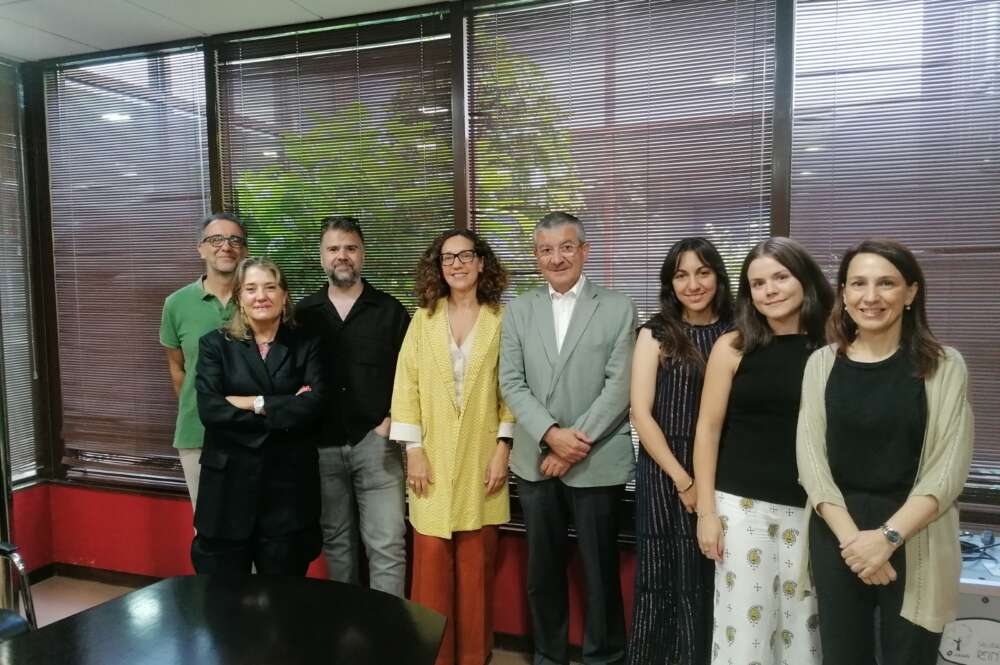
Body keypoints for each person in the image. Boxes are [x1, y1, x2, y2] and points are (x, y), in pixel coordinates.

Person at [797, 239, 973, 665]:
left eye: (886, 283)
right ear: (843, 293)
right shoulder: (820, 364)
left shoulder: (945, 365)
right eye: (858, 283)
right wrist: (857, 545)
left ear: (911, 292)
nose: (870, 296)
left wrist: (887, 539)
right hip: (839, 535)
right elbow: (812, 463)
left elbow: (947, 470)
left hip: (916, 533)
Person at [500, 211, 636, 665]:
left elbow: (620, 386)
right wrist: (550, 436)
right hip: (535, 460)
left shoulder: (617, 307)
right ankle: (548, 656)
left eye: (565, 247)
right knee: (543, 573)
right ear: (536, 257)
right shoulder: (519, 310)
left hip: (596, 460)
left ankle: (605, 658)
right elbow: (511, 382)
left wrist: (574, 445)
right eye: (545, 250)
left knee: (600, 573)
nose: (556, 258)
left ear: (584, 251)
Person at [692, 237, 832, 665]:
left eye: (780, 277)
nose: (769, 290)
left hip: (814, 510)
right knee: (744, 636)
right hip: (741, 510)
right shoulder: (733, 346)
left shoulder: (834, 346)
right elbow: (708, 430)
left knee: (805, 635)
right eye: (757, 284)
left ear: (804, 279)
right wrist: (707, 513)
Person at [390, 229, 514, 665]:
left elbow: (513, 388)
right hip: (431, 461)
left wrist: (503, 448)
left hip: (484, 459)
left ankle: (475, 657)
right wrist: (413, 451)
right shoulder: (422, 320)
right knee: (430, 571)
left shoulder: (503, 320)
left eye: (466, 256)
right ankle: (436, 658)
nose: (457, 264)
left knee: (476, 570)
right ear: (438, 267)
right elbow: (406, 386)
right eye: (448, 258)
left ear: (481, 262)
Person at [626, 238, 733, 665]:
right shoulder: (656, 332)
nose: (693, 284)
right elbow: (640, 413)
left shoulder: (738, 331)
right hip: (663, 470)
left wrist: (702, 485)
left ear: (718, 277)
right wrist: (683, 480)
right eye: (682, 275)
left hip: (723, 468)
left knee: (712, 575)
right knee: (662, 575)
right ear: (670, 283)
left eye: (703, 273)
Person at [296, 216, 409, 597]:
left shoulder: (390, 311)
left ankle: (387, 628)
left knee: (387, 545)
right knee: (338, 545)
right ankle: (345, 627)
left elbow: (413, 376)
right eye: (333, 248)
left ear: (363, 254)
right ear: (321, 256)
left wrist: (392, 421)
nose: (342, 255)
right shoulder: (302, 315)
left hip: (377, 444)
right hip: (321, 446)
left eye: (350, 248)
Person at [191, 257, 325, 575]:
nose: (261, 296)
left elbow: (315, 406)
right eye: (251, 289)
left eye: (270, 287)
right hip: (227, 491)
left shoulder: (307, 344)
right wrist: (284, 406)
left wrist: (253, 402)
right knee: (221, 596)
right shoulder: (215, 345)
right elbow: (211, 410)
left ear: (284, 295)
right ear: (239, 297)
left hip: (287, 490)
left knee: (284, 596)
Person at [160, 212, 248, 505]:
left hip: (253, 433)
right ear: (200, 248)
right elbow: (178, 368)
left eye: (234, 240)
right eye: (216, 239)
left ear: (245, 250)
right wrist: (204, 409)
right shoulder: (176, 304)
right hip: (197, 434)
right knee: (209, 523)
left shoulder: (259, 299)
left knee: (254, 521)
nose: (226, 246)